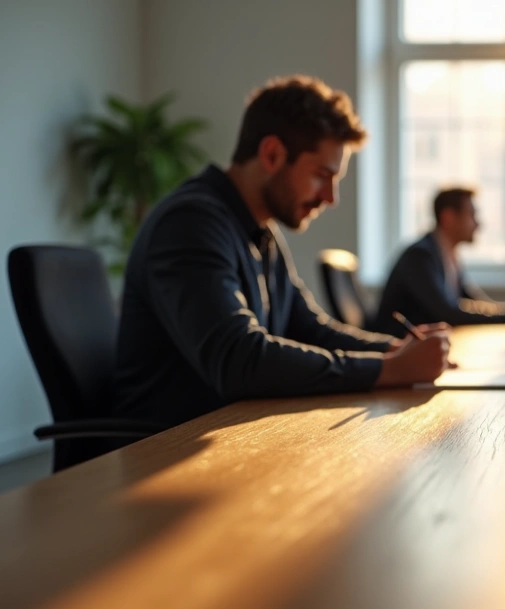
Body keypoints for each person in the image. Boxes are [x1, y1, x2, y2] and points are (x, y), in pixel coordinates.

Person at [113, 75, 451, 429]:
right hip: (160, 451)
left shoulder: (262, 232)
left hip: (227, 434)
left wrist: (398, 350)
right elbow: (237, 360)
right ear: (272, 154)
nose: (330, 198)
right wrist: (388, 370)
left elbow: (312, 330)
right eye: (322, 175)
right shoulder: (190, 223)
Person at [372, 187, 505, 334]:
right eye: (471, 215)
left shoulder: (447, 254)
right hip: (399, 357)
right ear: (449, 217)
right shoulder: (420, 257)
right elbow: (448, 313)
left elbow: (475, 302)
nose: (478, 224)